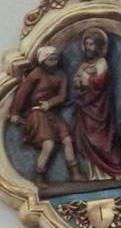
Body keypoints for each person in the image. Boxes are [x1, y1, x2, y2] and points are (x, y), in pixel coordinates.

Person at [9, 45, 81, 181]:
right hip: (37, 113)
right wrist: (15, 112)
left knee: (67, 140)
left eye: (55, 59)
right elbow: (22, 93)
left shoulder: (61, 75)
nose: (53, 62)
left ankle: (75, 173)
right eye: (50, 59)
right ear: (43, 60)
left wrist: (50, 103)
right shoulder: (36, 74)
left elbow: (62, 96)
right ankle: (40, 176)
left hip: (52, 113)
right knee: (48, 144)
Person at [69, 29, 121, 180]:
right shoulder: (83, 65)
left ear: (98, 46)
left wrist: (85, 78)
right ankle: (93, 174)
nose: (88, 47)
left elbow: (100, 83)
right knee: (87, 140)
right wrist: (78, 81)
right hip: (86, 108)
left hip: (100, 108)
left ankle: (112, 170)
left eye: (91, 44)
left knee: (101, 141)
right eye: (86, 44)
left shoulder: (101, 63)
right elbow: (77, 82)